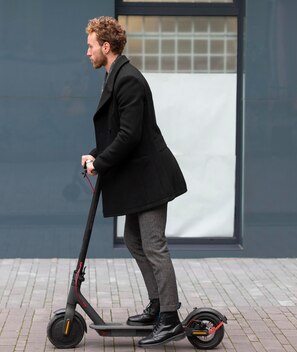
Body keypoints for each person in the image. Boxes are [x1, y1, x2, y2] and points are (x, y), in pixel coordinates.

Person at [81, 16, 188, 347]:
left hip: (151, 177)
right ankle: (158, 305)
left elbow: (129, 136)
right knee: (133, 239)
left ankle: (169, 317)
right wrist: (95, 153)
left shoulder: (128, 80)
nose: (87, 52)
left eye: (90, 46)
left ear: (106, 47)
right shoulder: (116, 77)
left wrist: (101, 162)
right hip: (140, 178)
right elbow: (117, 131)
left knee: (154, 244)